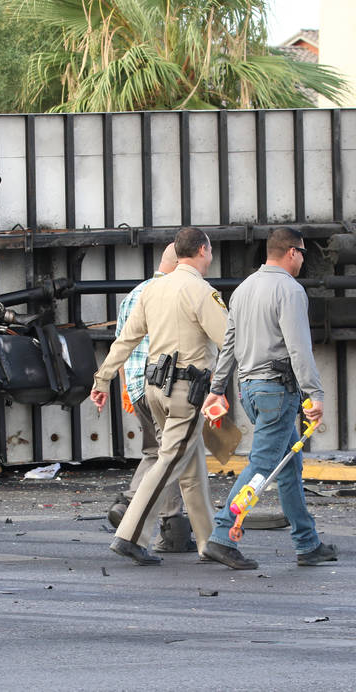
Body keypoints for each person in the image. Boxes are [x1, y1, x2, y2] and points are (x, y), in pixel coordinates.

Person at [201, 227, 338, 570]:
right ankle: (219, 535)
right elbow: (298, 347)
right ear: (292, 252)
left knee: (289, 465)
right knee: (263, 466)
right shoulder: (290, 290)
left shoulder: (244, 289)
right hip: (277, 390)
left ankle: (308, 543)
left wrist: (218, 388)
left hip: (250, 389)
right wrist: (315, 393)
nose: (303, 260)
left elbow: (229, 344)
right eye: (303, 254)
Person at [90, 228, 227, 566]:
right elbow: (230, 340)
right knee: (167, 463)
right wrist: (225, 388)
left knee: (191, 470)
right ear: (202, 251)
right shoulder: (201, 291)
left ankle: (210, 542)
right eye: (209, 251)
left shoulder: (151, 291)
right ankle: (130, 536)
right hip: (187, 392)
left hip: (154, 391)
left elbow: (124, 341)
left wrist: (101, 378)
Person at [106, 244, 195, 553]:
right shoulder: (175, 292)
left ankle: (174, 530)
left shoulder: (134, 294)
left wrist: (126, 388)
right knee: (170, 454)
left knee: (156, 452)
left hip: (138, 387)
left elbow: (122, 342)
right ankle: (131, 501)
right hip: (166, 385)